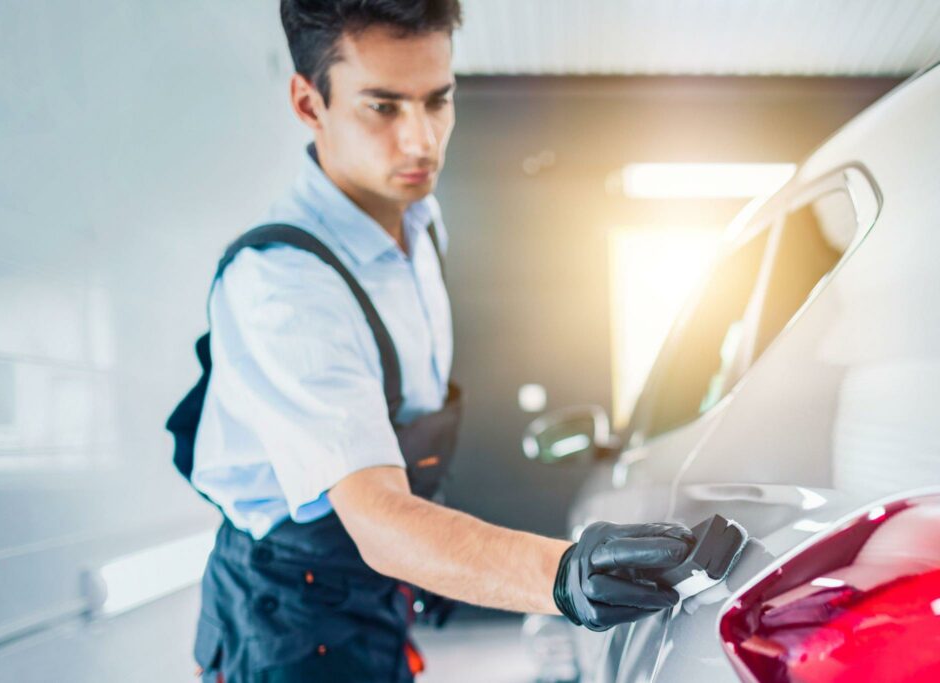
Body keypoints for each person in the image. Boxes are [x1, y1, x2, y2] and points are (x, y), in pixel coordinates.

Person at [173, 1, 696, 681]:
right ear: (309, 102)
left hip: (374, 591)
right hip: (288, 621)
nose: (420, 141)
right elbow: (381, 519)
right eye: (382, 107)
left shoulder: (420, 219)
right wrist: (566, 574)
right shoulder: (284, 285)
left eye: (437, 101)